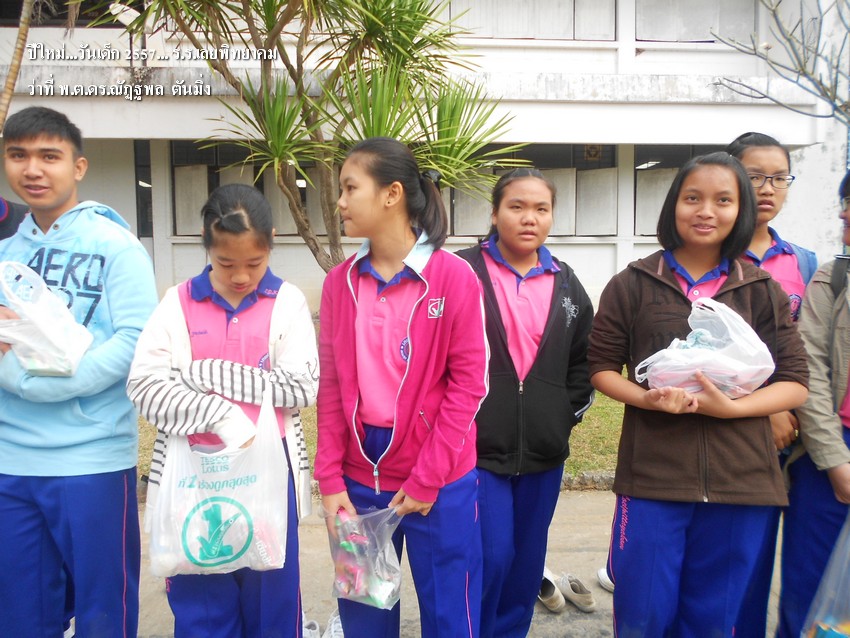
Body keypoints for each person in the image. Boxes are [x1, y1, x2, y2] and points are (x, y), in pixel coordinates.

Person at [588, 151, 809, 636]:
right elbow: (601, 368)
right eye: (693, 198)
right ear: (674, 205)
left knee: (715, 619)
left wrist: (731, 408)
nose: (706, 211)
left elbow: (795, 382)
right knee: (644, 614)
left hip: (741, 479)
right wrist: (646, 398)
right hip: (653, 476)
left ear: (740, 210)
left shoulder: (761, 289)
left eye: (723, 200)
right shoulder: (632, 283)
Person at [314, 137, 489, 638]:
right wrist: (330, 479)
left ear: (391, 194)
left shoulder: (453, 277)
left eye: (350, 188)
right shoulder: (340, 283)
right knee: (364, 614)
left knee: (451, 616)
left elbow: (469, 386)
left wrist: (428, 478)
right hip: (359, 476)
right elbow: (332, 387)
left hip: (440, 476)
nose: (340, 202)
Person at [127, 183, 319, 638]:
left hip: (269, 478)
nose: (241, 276)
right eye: (226, 263)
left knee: (272, 608)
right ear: (206, 244)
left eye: (255, 262)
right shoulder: (177, 303)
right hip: (192, 481)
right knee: (203, 612)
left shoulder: (286, 302)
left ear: (271, 243)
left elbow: (300, 386)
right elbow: (145, 387)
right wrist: (221, 413)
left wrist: (203, 372)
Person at [0, 105, 158, 636]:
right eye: (18, 155)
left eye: (50, 156)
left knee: (102, 610)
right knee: (19, 614)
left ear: (79, 166)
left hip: (92, 457)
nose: (32, 169)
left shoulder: (117, 248)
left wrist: (45, 386)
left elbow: (136, 340)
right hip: (11, 459)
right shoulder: (5, 255)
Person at [456, 168, 594, 636]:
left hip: (544, 452)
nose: (529, 218)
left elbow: (584, 361)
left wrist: (562, 416)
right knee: (490, 556)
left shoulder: (567, 283)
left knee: (526, 562)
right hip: (477, 450)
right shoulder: (462, 272)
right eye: (516, 206)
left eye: (541, 208)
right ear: (495, 213)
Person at [726, 131, 817, 638]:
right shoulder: (710, 259)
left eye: (779, 178)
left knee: (804, 566)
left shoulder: (804, 263)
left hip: (801, 435)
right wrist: (768, 408)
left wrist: (796, 410)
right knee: (741, 566)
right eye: (755, 175)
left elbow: (811, 351)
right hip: (737, 432)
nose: (767, 188)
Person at [777, 171, 850, 638]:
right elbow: (811, 371)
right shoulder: (833, 278)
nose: (844, 214)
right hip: (831, 454)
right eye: (845, 204)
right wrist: (835, 462)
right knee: (810, 594)